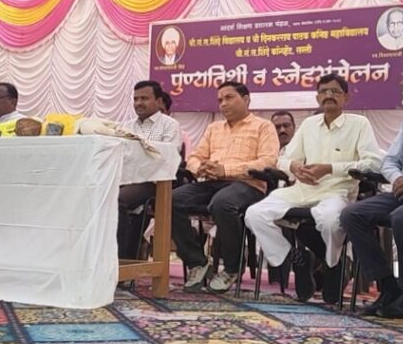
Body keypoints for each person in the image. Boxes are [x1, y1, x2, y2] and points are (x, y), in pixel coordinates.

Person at [246, 75, 384, 303]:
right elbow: (283, 159)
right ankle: (296, 258)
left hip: (337, 191)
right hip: (303, 190)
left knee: (330, 220)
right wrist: (294, 167)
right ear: (317, 97)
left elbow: (373, 163)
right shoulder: (309, 125)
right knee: (254, 214)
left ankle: (332, 265)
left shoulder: (359, 124)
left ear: (346, 97)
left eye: (335, 91)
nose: (329, 95)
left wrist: (330, 169)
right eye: (324, 91)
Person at [172, 81, 279, 293]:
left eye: (229, 98)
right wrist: (200, 167)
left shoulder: (263, 126)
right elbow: (194, 157)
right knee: (171, 200)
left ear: (246, 99)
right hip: (212, 182)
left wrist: (226, 170)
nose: (223, 104)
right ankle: (197, 262)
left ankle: (231, 268)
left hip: (248, 184)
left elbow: (268, 161)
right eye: (220, 100)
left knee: (222, 204)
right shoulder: (214, 128)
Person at [340, 116, 403, 318]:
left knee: (401, 217)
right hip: (402, 190)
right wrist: (398, 178)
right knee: (352, 214)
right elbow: (390, 160)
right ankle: (388, 286)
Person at [117, 81, 182, 260]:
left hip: (154, 181)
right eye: (136, 99)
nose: (139, 103)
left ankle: (120, 261)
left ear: (159, 101)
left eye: (144, 98)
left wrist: (138, 158)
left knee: (116, 200)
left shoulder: (170, 125)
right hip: (125, 179)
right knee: (98, 195)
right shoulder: (126, 126)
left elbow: (168, 156)